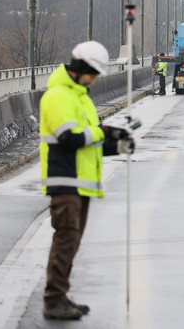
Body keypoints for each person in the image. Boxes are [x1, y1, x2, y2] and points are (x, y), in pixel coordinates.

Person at [40, 41, 132, 320]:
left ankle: (60, 295)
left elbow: (88, 142)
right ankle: (53, 300)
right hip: (66, 180)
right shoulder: (58, 96)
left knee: (71, 243)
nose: (95, 79)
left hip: (80, 182)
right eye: (93, 73)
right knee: (66, 241)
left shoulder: (80, 97)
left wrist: (119, 145)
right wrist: (105, 132)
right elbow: (70, 139)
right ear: (80, 68)